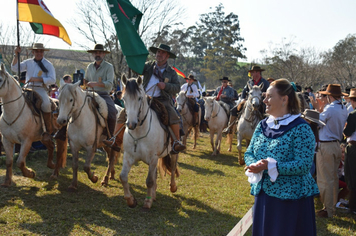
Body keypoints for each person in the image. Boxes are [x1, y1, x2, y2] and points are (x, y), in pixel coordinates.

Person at [244, 78, 319, 236]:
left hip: (290, 200)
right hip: (264, 196)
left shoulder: (301, 128)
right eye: (265, 96)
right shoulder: (263, 124)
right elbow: (249, 152)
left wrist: (271, 166)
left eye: (269, 96)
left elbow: (304, 165)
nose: (264, 100)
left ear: (284, 99)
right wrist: (253, 164)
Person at [104, 43, 185, 153]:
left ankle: (175, 142)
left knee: (173, 115)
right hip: (144, 98)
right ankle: (116, 140)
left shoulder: (171, 72)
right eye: (158, 52)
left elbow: (177, 87)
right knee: (124, 113)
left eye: (162, 53)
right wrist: (132, 57)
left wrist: (165, 86)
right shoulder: (148, 66)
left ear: (167, 56)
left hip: (162, 99)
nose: (159, 54)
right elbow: (137, 69)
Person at [11, 43, 56, 141]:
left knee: (46, 104)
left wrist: (38, 79)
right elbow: (14, 68)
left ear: (43, 52)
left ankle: (48, 130)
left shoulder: (48, 64)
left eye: (41, 51)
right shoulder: (28, 62)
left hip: (41, 89)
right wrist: (16, 54)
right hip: (28, 88)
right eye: (37, 51)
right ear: (33, 52)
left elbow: (53, 79)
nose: (39, 53)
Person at [316, 84, 348, 218]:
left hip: (327, 146)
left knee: (325, 179)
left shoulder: (330, 109)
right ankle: (331, 207)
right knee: (333, 178)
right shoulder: (343, 108)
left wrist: (317, 109)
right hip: (336, 144)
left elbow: (318, 122)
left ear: (329, 96)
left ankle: (328, 210)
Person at [84, 44, 118, 142]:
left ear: (103, 54)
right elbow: (86, 81)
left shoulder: (109, 67)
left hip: (103, 94)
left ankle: (110, 136)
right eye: (95, 52)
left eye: (100, 52)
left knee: (112, 112)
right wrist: (82, 81)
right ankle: (68, 135)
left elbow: (109, 84)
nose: (97, 54)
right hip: (89, 93)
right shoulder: (89, 66)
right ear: (93, 54)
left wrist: (95, 84)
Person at [223, 66, 269, 135]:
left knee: (266, 114)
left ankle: (266, 131)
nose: (251, 74)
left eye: (252, 73)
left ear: (258, 72)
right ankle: (229, 128)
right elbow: (244, 92)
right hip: (249, 102)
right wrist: (243, 98)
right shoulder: (249, 82)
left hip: (261, 103)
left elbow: (269, 92)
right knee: (234, 110)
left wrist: (265, 94)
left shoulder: (265, 82)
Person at [343, 88, 356, 214]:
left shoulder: (353, 114)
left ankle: (352, 206)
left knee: (351, 176)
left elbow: (347, 132)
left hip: (354, 147)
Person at [301, 109, 325, 176]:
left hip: (305, 164)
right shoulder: (315, 135)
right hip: (310, 164)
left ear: (308, 121)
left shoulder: (307, 134)